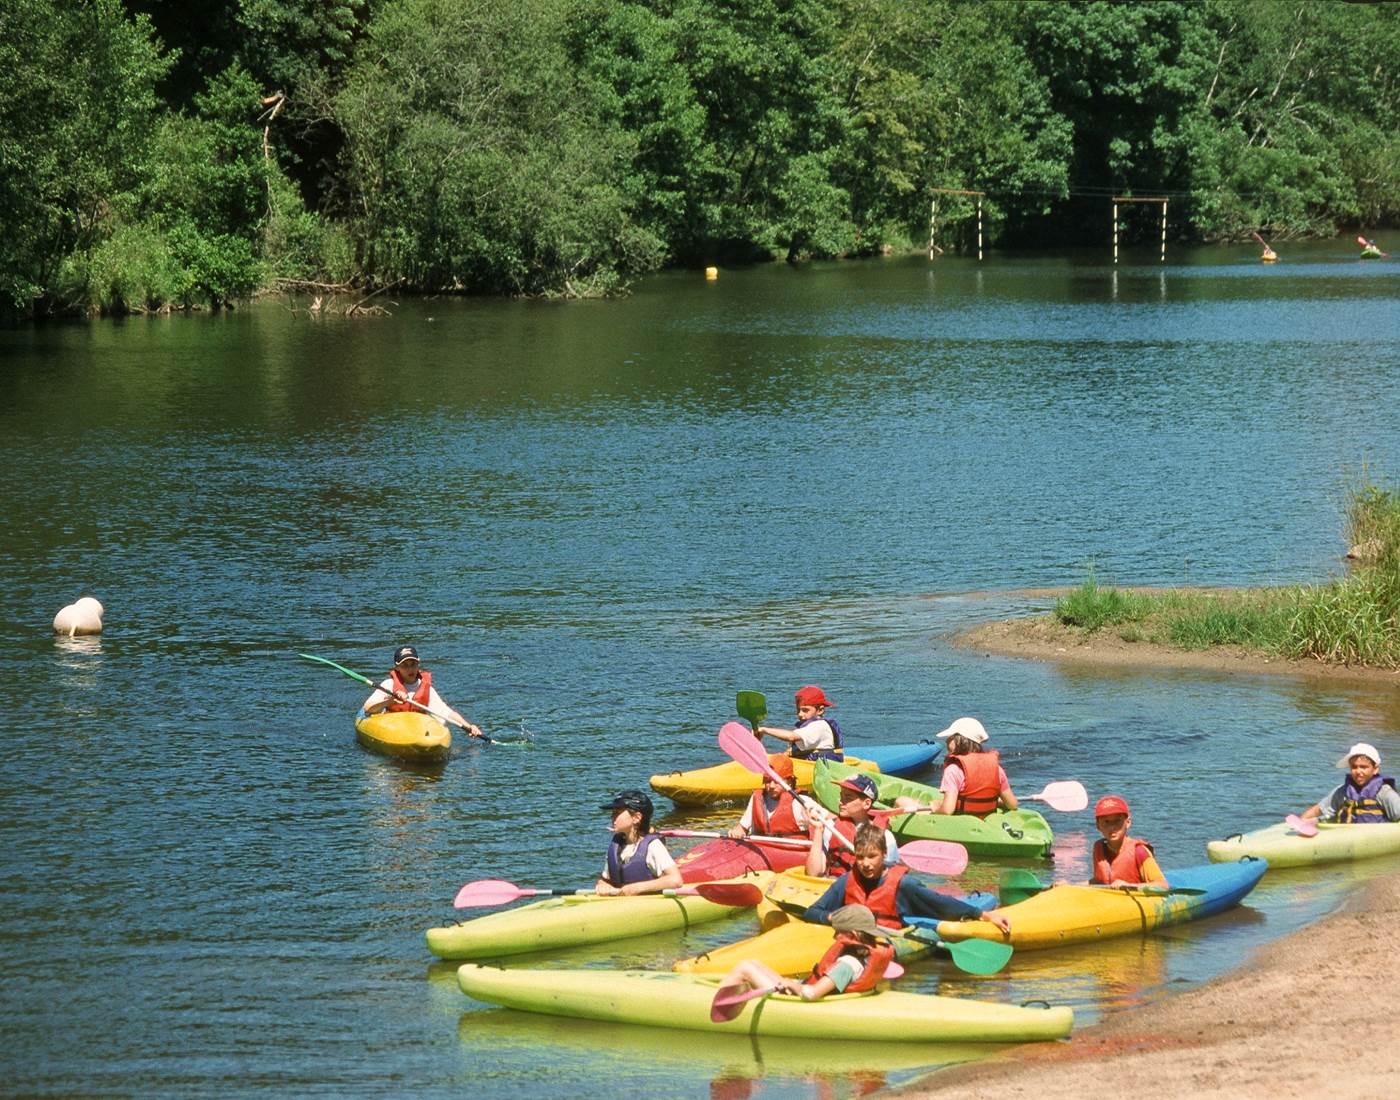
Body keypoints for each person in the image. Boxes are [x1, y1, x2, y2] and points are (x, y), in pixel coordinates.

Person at [805, 823, 1011, 934]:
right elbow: (812, 912)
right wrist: (832, 918)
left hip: (891, 940)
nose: (865, 863)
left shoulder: (904, 885)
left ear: (884, 855)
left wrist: (983, 915)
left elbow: (941, 904)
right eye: (860, 857)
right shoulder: (847, 881)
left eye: (872, 856)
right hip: (853, 941)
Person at [717, 904, 896, 1001]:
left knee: (745, 967)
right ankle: (726, 992)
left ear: (853, 934)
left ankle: (708, 1001)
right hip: (800, 990)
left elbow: (812, 994)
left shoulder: (846, 965)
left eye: (838, 932)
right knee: (754, 963)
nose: (834, 937)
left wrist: (792, 984)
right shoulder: (862, 956)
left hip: (796, 1001)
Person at [361, 645, 482, 738]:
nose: (410, 669)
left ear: (418, 664)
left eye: (413, 664)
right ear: (397, 668)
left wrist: (468, 726)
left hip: (416, 729)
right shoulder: (389, 685)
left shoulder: (427, 688)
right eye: (405, 665)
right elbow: (367, 709)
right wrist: (391, 701)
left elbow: (446, 712)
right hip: (393, 728)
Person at [804, 773, 900, 877]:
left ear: (866, 803)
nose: (841, 801)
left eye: (848, 798)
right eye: (841, 796)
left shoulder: (885, 836)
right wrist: (818, 830)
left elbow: (889, 880)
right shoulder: (831, 827)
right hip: (834, 886)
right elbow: (813, 873)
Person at [596, 789, 684, 896]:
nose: (612, 817)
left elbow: (675, 880)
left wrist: (637, 888)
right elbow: (606, 879)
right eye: (613, 813)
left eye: (617, 813)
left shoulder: (653, 846)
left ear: (636, 818)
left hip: (650, 903)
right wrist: (602, 884)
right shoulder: (617, 845)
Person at [932, 717, 1019, 817]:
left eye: (950, 737)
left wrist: (936, 807)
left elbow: (948, 810)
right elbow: (1013, 804)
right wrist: (996, 802)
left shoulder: (953, 770)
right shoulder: (997, 769)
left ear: (960, 740)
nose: (946, 741)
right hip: (985, 821)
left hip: (961, 823)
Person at [1299, 742, 1400, 824]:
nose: (1358, 771)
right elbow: (1318, 810)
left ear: (1375, 769)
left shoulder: (1385, 793)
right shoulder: (1342, 791)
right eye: (1354, 767)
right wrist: (1299, 822)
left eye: (1363, 767)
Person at [1091, 795, 1168, 888]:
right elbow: (1098, 881)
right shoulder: (1098, 847)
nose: (1112, 827)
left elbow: (1163, 885)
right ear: (1098, 825)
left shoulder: (1139, 851)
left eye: (1117, 821)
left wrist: (1130, 886)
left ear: (1128, 822)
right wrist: (1071, 886)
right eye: (1106, 822)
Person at [727, 753, 810, 839]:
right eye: (767, 781)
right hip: (763, 847)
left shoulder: (802, 801)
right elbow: (742, 828)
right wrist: (737, 832)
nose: (771, 786)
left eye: (777, 781)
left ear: (790, 781)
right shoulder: (757, 799)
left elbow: (822, 824)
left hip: (792, 850)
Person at [757, 685, 844, 761]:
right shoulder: (809, 726)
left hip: (822, 768)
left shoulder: (819, 726)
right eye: (798, 710)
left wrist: (764, 730)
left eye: (805, 710)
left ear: (820, 710)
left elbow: (791, 737)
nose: (800, 714)